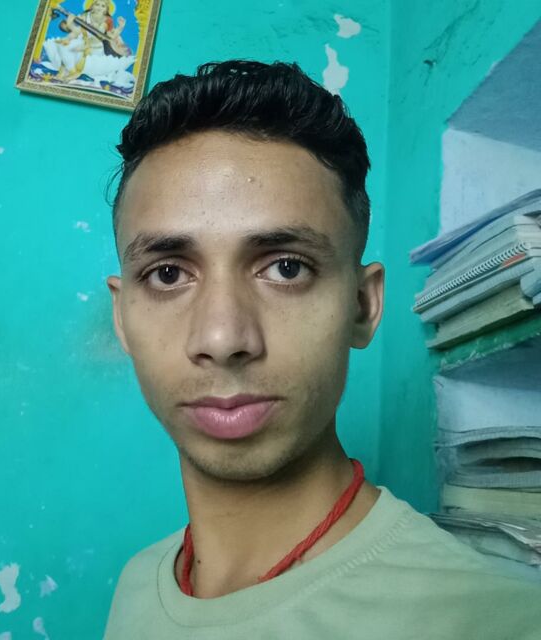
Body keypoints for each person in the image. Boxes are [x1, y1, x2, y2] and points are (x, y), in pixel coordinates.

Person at [103, 60, 541, 638]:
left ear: (362, 305)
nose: (222, 339)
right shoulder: (137, 583)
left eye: (286, 268)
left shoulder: (498, 620)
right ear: (122, 317)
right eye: (167, 274)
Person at [42, 0, 134, 88]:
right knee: (65, 47)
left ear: (106, 9)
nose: (99, 7)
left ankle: (75, 72)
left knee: (80, 55)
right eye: (97, 4)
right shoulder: (85, 15)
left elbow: (110, 35)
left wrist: (120, 27)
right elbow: (76, 30)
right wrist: (69, 24)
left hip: (95, 47)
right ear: (92, 6)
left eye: (103, 6)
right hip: (82, 40)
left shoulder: (108, 20)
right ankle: (65, 71)